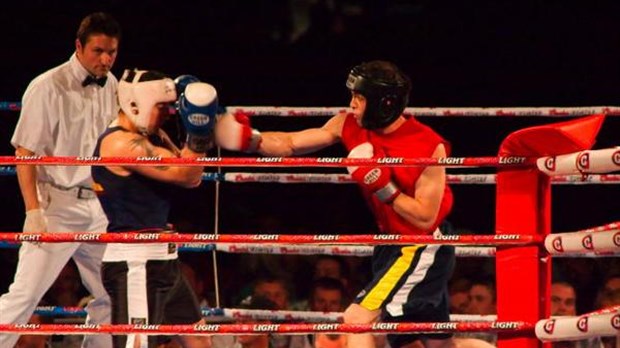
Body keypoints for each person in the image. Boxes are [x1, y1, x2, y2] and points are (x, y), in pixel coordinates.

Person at [216, 60, 455, 348]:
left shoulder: (428, 145)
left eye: (360, 97)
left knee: (356, 320)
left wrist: (383, 187)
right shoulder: (348, 123)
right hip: (390, 243)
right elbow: (292, 143)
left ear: (384, 103)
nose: (352, 103)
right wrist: (250, 140)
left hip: (421, 246)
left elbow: (426, 218)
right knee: (423, 342)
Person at [1, 12, 121, 348]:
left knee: (111, 293)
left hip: (99, 206)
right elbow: (25, 152)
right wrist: (32, 211)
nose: (106, 59)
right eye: (98, 51)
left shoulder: (111, 84)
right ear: (79, 46)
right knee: (23, 298)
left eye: (112, 51)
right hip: (55, 206)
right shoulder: (46, 86)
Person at [92, 69, 216, 347]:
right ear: (137, 104)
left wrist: (194, 129)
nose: (168, 114)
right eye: (162, 107)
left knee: (199, 341)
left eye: (172, 107)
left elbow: (191, 175)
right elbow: (186, 174)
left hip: (164, 261)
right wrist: (199, 128)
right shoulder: (121, 143)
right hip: (136, 262)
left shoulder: (153, 135)